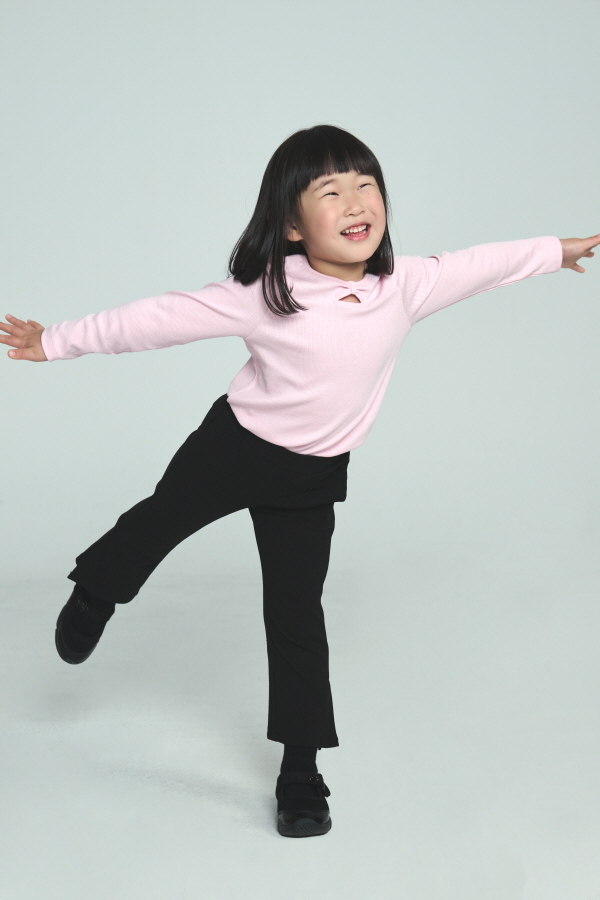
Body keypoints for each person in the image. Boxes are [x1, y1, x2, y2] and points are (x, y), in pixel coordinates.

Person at [1, 124, 598, 839]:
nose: (356, 202)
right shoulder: (265, 291)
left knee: (296, 618)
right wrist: (55, 341)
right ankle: (97, 591)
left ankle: (300, 771)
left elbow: (481, 264)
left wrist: (556, 251)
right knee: (157, 523)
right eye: (331, 191)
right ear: (290, 224)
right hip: (233, 447)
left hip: (311, 477)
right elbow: (157, 319)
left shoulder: (404, 285)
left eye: (366, 185)